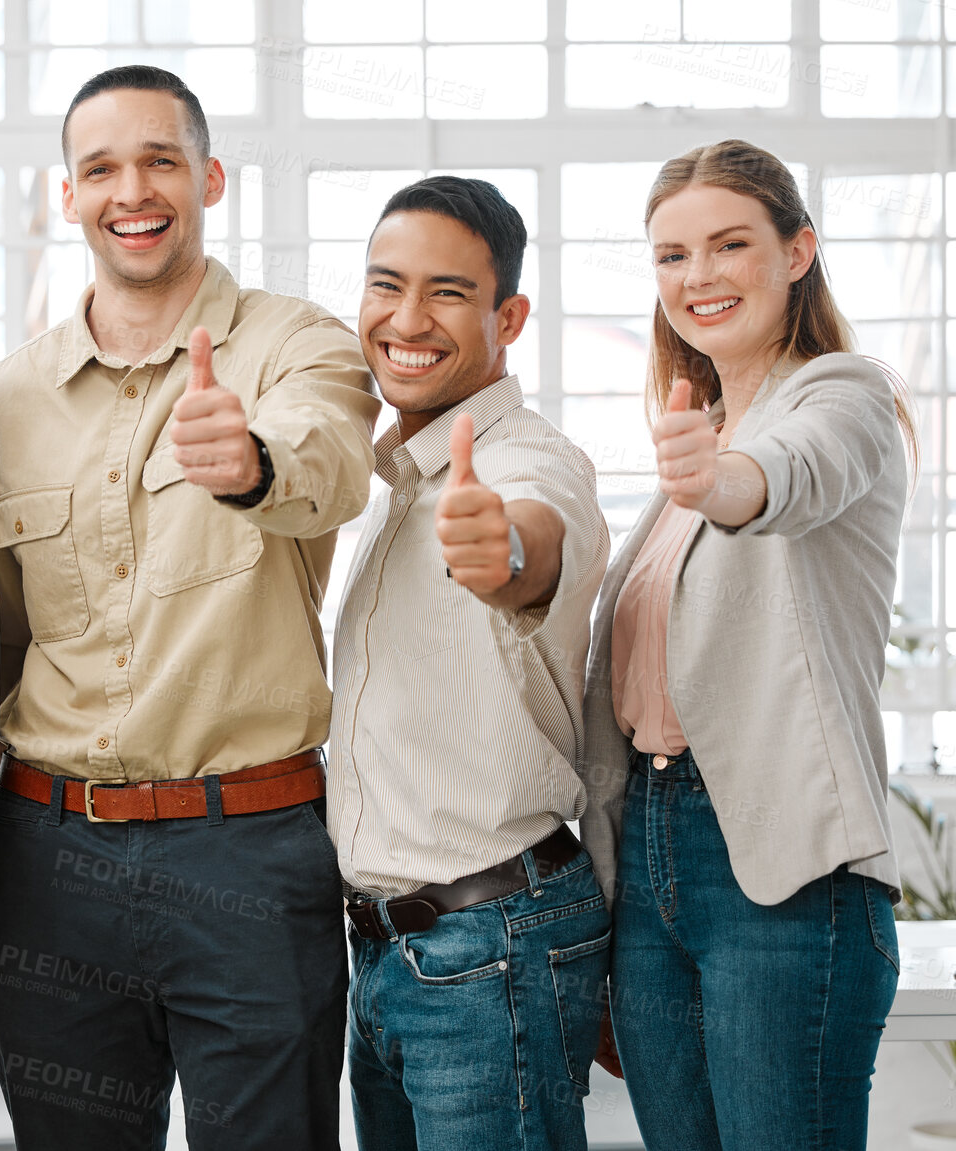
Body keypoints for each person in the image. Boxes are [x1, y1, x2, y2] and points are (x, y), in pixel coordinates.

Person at [0, 65, 379, 1150]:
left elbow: (328, 463)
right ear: (67, 195)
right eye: (100, 167)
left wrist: (245, 462)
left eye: (159, 161)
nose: (130, 190)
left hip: (245, 848)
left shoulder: (299, 343)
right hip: (46, 855)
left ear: (210, 177)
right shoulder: (1, 402)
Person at [580, 139, 916, 1150]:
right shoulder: (707, 424)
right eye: (670, 255)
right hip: (648, 856)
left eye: (728, 244)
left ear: (797, 249)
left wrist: (718, 482)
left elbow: (778, 480)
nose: (697, 276)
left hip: (778, 867)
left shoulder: (840, 396)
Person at [330, 176, 611, 1151]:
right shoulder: (377, 475)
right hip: (392, 951)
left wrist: (503, 555)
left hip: (489, 944)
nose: (406, 318)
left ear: (508, 316)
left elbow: (532, 541)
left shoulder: (529, 462)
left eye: (446, 292)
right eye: (384, 284)